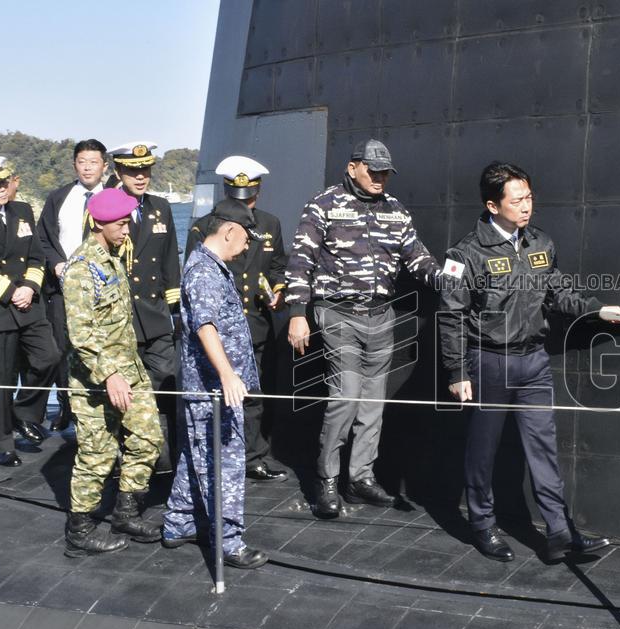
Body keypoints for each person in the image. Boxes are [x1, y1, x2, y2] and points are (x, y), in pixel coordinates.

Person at [438, 161, 620, 563]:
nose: (527, 206)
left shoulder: (540, 244)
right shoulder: (464, 254)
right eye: (517, 199)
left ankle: (559, 533)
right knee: (483, 450)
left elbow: (559, 292)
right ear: (493, 205)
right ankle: (483, 524)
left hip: (534, 361)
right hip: (490, 362)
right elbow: (451, 315)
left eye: (529, 197)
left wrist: (597, 310)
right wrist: (457, 372)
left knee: (543, 449)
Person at [285, 139, 442, 517]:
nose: (379, 178)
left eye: (385, 172)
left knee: (373, 403)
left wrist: (445, 278)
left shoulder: (395, 211)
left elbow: (416, 256)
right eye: (373, 170)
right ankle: (326, 480)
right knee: (346, 397)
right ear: (353, 166)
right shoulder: (323, 205)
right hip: (339, 314)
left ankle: (360, 478)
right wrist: (296, 312)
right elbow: (301, 259)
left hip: (380, 315)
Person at [161, 199, 268, 569]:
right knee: (223, 464)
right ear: (229, 231)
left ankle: (178, 522)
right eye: (246, 239)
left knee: (198, 456)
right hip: (213, 391)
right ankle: (230, 542)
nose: (248, 246)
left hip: (210, 388)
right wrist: (226, 374)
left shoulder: (211, 267)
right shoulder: (205, 273)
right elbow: (205, 326)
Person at [61, 188, 163, 556]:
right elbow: (82, 333)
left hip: (129, 370)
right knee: (97, 454)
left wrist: (125, 372)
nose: (126, 230)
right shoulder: (81, 269)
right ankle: (80, 531)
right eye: (121, 224)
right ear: (100, 223)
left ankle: (126, 512)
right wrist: (110, 376)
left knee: (148, 438)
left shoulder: (112, 258)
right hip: (95, 379)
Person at [185, 155, 288, 482]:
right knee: (215, 392)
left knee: (253, 393)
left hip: (254, 322)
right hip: (219, 324)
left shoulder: (269, 224)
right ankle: (214, 456)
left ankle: (253, 456)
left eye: (251, 196)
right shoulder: (203, 227)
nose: (246, 203)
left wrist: (277, 290)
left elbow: (277, 267)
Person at [0, 157, 59, 465]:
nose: (2, 188)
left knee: (49, 357)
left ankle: (24, 412)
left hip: (29, 302)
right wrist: (11, 293)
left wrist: (30, 288)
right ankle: (2, 442)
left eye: (4, 182)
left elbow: (36, 256)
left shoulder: (22, 212)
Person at [107, 141, 180, 473]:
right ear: (119, 172)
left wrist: (173, 309)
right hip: (122, 316)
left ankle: (164, 453)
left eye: (145, 170)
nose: (141, 177)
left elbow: (169, 262)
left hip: (156, 315)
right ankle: (129, 451)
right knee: (128, 390)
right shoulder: (105, 208)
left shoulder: (160, 207)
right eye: (133, 171)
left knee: (166, 380)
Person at [37, 139, 108, 431]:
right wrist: (55, 264)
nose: (88, 167)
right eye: (82, 161)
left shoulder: (115, 196)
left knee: (100, 349)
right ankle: (67, 408)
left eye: (93, 161)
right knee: (63, 352)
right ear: (74, 164)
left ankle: (101, 408)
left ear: (104, 166)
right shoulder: (59, 197)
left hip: (103, 290)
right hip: (63, 289)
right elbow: (42, 239)